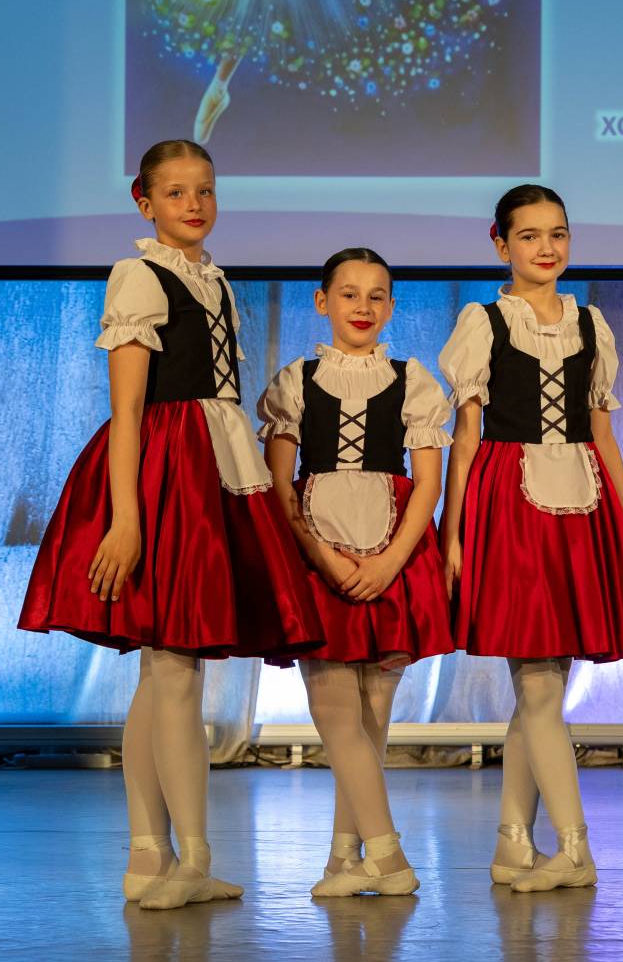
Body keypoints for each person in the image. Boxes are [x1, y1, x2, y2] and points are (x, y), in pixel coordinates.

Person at [18, 139, 322, 909]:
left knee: (163, 678)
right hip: (167, 475)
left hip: (216, 466)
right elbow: (126, 411)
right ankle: (192, 857)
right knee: (176, 669)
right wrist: (127, 521)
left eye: (205, 190)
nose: (194, 204)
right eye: (177, 192)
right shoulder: (139, 275)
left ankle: (149, 854)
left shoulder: (210, 278)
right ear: (144, 200)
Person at [438, 184, 623, 892]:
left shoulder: (590, 323)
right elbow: (467, 436)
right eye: (529, 236)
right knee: (535, 682)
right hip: (511, 501)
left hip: (582, 501)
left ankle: (511, 842)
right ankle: (574, 848)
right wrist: (453, 530)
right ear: (501, 244)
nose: (546, 247)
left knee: (542, 689)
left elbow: (604, 434)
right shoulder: (484, 322)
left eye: (557, 233)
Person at [257, 247, 455, 897]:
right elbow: (278, 484)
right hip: (318, 552)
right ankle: (380, 858)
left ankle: (353, 858)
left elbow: (429, 485)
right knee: (338, 715)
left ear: (392, 306)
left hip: (392, 548)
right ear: (323, 302)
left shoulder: (412, 380)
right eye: (349, 294)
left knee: (371, 722)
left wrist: (392, 560)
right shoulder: (295, 381)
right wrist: (322, 556)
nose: (362, 306)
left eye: (376, 295)